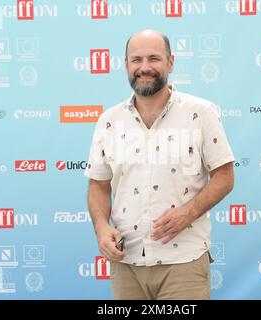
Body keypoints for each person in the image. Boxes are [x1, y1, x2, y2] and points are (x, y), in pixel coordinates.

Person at [84, 29, 235, 300]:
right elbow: (98, 184)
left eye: (154, 59)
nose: (144, 68)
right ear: (126, 65)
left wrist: (188, 213)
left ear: (171, 62)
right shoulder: (108, 121)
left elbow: (225, 176)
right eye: (136, 60)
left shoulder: (201, 113)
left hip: (184, 263)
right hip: (126, 264)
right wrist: (101, 227)